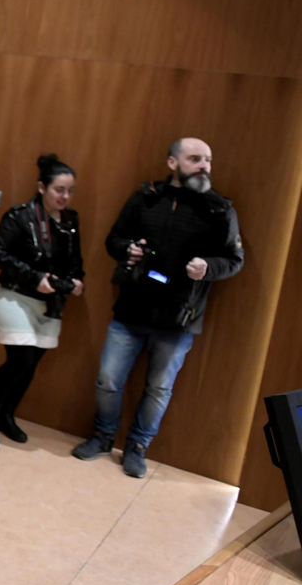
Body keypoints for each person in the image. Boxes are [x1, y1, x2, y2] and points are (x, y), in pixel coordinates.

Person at [74, 138, 243, 477]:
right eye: (195, 159)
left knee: (159, 388)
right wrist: (129, 250)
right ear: (172, 163)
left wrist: (208, 267)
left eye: (208, 160)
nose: (204, 166)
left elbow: (235, 260)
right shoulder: (145, 198)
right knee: (108, 379)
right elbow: (114, 240)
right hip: (132, 309)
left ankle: (137, 447)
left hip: (180, 317)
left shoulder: (219, 209)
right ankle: (104, 436)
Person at [0, 157, 87, 449]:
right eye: (59, 189)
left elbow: (75, 262)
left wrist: (76, 281)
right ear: (41, 187)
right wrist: (35, 277)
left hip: (51, 303)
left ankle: (6, 415)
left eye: (70, 191)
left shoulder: (71, 221)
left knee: (31, 365)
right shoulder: (20, 216)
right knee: (19, 360)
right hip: (15, 295)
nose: (65, 197)